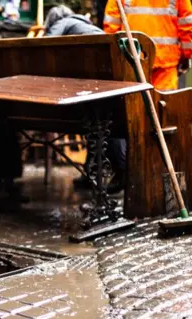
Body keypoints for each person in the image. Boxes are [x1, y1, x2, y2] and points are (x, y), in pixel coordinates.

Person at [43, 5, 125, 193]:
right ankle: (92, 173)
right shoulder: (84, 25)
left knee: (98, 124)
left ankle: (116, 171)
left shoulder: (64, 23)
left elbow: (46, 45)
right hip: (107, 76)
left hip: (97, 81)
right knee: (98, 124)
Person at [103, 0, 192, 91]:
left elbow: (111, 29)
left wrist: (115, 59)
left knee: (136, 103)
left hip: (132, 62)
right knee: (163, 103)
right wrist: (186, 55)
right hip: (165, 64)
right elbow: (186, 25)